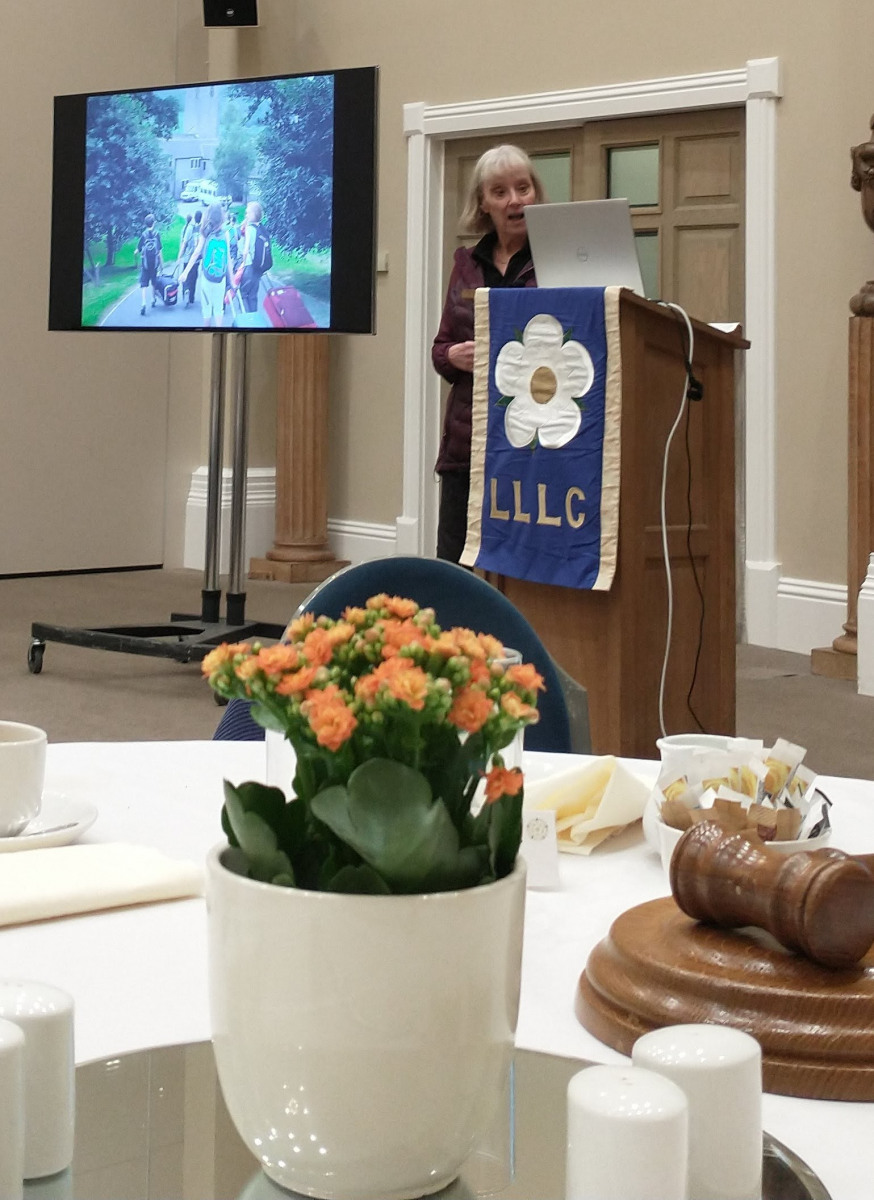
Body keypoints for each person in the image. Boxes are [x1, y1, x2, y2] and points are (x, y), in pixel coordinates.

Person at [431, 145, 545, 563]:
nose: (515, 200)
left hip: (533, 441)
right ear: (483, 203)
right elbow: (440, 348)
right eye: (500, 192)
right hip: (469, 439)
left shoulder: (556, 257)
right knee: (454, 563)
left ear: (535, 192)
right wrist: (452, 356)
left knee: (519, 562)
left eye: (523, 188)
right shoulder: (466, 264)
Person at [180, 202, 233, 328]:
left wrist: (185, 272)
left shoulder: (205, 232)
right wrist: (232, 280)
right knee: (219, 309)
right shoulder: (226, 233)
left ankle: (207, 333)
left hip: (207, 278)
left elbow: (196, 253)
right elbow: (228, 259)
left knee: (207, 309)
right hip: (220, 279)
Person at [237, 201, 272, 314]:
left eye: (248, 213)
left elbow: (246, 250)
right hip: (259, 267)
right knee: (253, 295)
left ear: (253, 214)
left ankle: (247, 320)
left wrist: (242, 263)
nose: (246, 215)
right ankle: (254, 318)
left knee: (243, 294)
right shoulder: (261, 228)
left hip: (249, 266)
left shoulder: (250, 228)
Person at [134, 214, 163, 317]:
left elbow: (138, 249)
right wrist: (161, 265)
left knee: (143, 283)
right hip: (154, 264)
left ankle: (143, 303)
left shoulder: (143, 234)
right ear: (154, 223)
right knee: (153, 281)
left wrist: (135, 253)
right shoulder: (157, 234)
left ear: (145, 224)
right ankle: (153, 299)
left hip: (145, 264)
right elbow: (159, 251)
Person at [177, 209, 202, 308]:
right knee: (194, 277)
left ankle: (186, 290)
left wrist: (179, 256)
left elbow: (184, 243)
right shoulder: (200, 229)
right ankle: (191, 297)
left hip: (187, 257)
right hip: (196, 259)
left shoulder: (189, 228)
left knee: (185, 275)